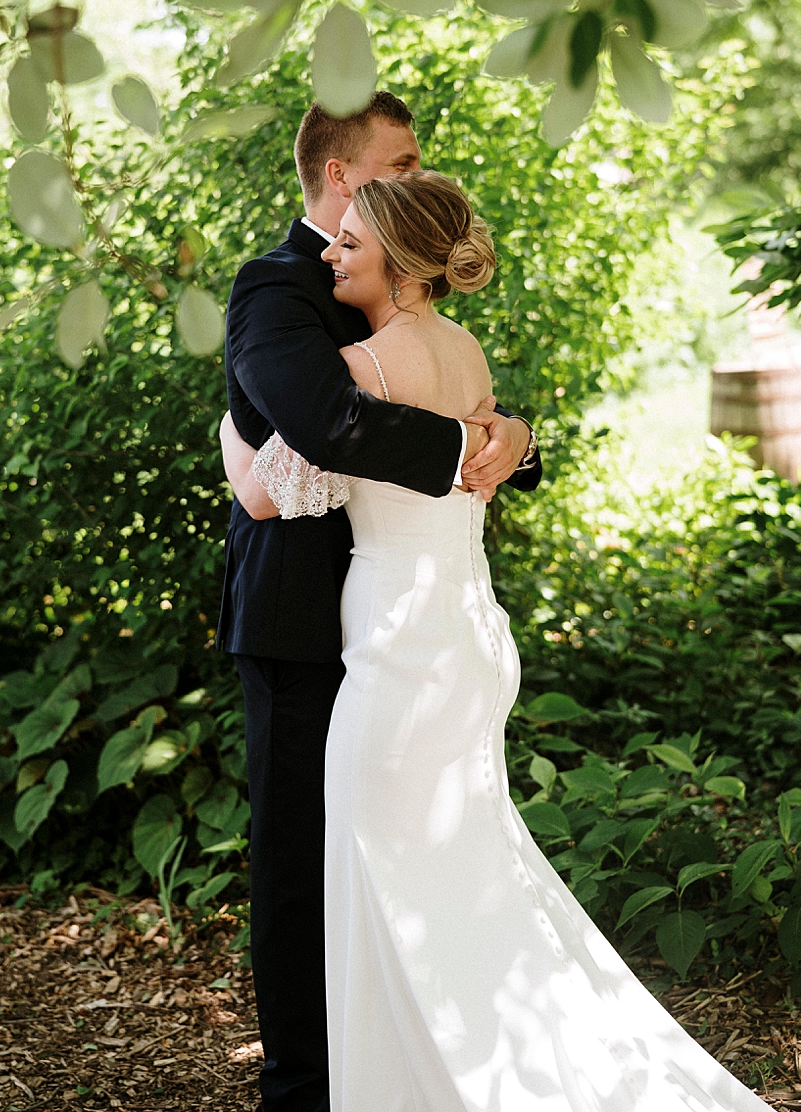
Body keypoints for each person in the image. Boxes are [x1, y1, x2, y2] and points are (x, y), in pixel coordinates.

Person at [225, 170, 769, 1112]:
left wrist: (233, 420)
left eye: (351, 244)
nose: (332, 255)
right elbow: (479, 450)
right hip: (469, 640)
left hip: (397, 653)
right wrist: (508, 434)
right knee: (464, 874)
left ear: (397, 265)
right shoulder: (470, 356)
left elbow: (267, 491)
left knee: (380, 883)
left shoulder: (357, 371)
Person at [217, 92, 541, 1112]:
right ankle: (303, 1089)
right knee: (297, 873)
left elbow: (427, 419)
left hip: (397, 620)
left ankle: (404, 1066)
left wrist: (514, 445)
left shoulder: (395, 294)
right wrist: (468, 447)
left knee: (399, 860)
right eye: (402, 160)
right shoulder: (274, 287)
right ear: (349, 177)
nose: (419, 172)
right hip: (304, 621)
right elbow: (323, 420)